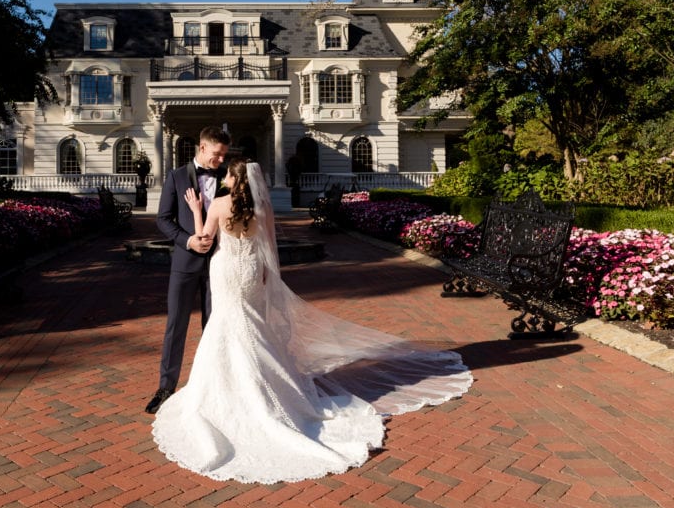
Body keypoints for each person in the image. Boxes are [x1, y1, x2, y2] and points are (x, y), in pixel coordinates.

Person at [151, 159, 473, 484]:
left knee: (225, 326)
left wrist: (194, 208)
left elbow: (204, 240)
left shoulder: (219, 204)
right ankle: (262, 384)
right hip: (249, 273)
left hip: (225, 272)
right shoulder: (262, 209)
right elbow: (268, 252)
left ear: (232, 181)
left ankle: (233, 390)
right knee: (251, 328)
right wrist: (264, 277)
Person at [145, 126, 231, 414]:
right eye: (217, 155)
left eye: (224, 156)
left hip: (219, 264)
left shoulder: (229, 177)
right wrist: (188, 240)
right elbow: (163, 219)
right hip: (184, 263)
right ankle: (166, 387)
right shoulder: (176, 176)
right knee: (176, 326)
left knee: (213, 326)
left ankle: (212, 387)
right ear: (203, 148)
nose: (220, 161)